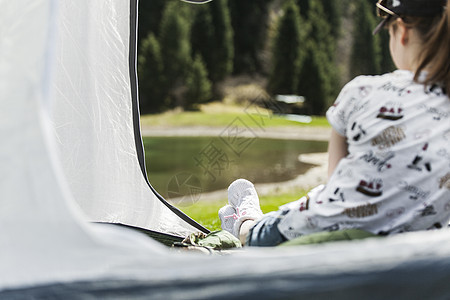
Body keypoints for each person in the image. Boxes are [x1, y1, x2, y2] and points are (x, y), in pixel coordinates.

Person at [219, 0, 450, 247]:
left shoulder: (362, 91)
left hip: (324, 230)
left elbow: (335, 182)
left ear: (401, 31)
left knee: (256, 234)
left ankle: (244, 218)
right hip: (414, 252)